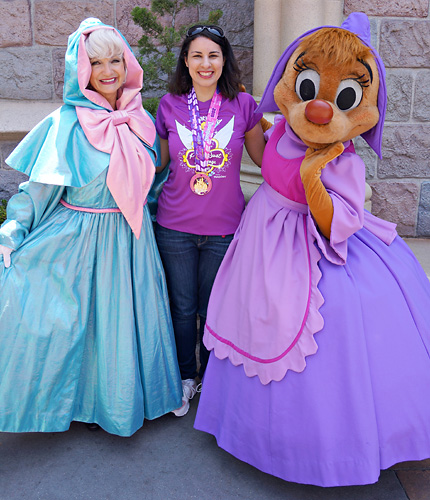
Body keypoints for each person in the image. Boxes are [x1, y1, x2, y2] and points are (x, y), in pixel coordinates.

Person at [194, 13, 430, 486]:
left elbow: (334, 223)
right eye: (308, 86)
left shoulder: (340, 160)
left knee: (337, 325)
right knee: (252, 315)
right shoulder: (280, 128)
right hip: (263, 234)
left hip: (316, 242)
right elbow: (255, 149)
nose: (320, 108)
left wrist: (312, 176)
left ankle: (323, 449)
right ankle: (251, 431)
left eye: (342, 98)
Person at [0, 18, 182, 437]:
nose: (108, 71)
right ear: (81, 69)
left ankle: (117, 404)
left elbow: (149, 186)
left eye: (115, 59)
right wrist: (13, 231)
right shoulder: (64, 123)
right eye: (96, 62)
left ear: (127, 63)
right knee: (73, 322)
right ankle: (73, 403)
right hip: (77, 238)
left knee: (118, 325)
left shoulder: (142, 120)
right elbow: (38, 188)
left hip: (129, 239)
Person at [154, 25, 266, 416]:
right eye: (197, 55)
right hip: (174, 227)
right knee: (182, 309)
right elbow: (158, 162)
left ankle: (214, 383)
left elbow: (267, 162)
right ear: (186, 61)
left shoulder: (244, 105)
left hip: (223, 229)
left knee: (215, 308)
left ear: (224, 61)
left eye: (213, 55)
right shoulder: (169, 104)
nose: (205, 63)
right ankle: (186, 378)